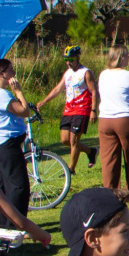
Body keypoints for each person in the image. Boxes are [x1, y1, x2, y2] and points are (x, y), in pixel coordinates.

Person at [36, 45, 99, 174]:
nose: (68, 62)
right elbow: (58, 89)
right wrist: (45, 100)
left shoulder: (86, 72)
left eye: (71, 59)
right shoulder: (68, 73)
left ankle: (71, 169)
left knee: (74, 139)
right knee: (65, 140)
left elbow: (94, 91)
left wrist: (93, 110)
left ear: (77, 57)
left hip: (82, 109)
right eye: (66, 59)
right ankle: (91, 151)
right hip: (69, 109)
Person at [0, 59, 31, 228]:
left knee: (2, 186)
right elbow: (24, 111)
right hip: (6, 144)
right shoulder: (0, 94)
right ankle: (14, 226)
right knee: (18, 186)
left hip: (2, 143)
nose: (14, 73)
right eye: (11, 70)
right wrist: (18, 91)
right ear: (1, 74)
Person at [98, 45, 129, 196]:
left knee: (109, 157)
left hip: (105, 118)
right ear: (121, 57)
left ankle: (110, 188)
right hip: (125, 118)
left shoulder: (103, 75)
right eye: (127, 55)